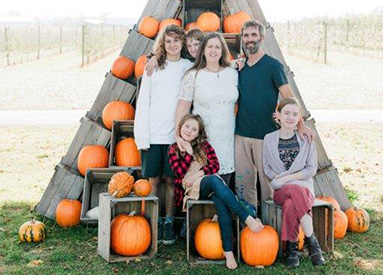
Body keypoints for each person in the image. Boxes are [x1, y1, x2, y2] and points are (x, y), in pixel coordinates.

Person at [234, 20, 316, 210]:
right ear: (242, 39)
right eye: (246, 35)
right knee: (244, 185)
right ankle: (250, 224)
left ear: (262, 38)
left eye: (254, 35)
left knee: (269, 185)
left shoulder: (273, 66)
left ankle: (271, 224)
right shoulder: (239, 66)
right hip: (242, 134)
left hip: (266, 136)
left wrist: (301, 125)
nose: (250, 39)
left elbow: (288, 97)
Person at [168, 114, 264, 270]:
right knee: (214, 180)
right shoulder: (174, 148)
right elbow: (179, 172)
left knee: (221, 201)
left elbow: (215, 166)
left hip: (208, 183)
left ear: (199, 133)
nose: (189, 131)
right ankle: (246, 216)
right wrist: (189, 154)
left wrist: (198, 165)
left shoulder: (205, 146)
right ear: (180, 127)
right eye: (187, 126)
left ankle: (228, 252)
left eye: (194, 129)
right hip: (192, 188)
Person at [134, 25, 192, 245]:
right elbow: (143, 102)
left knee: (171, 180)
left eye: (177, 40)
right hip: (153, 132)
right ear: (162, 44)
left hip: (175, 135)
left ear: (182, 43)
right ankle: (154, 222)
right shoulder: (153, 68)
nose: (173, 44)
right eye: (168, 41)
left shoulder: (187, 67)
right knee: (154, 181)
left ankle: (168, 222)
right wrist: (142, 136)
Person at [263, 98, 325, 268]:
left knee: (291, 203)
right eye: (287, 113)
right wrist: (286, 180)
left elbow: (311, 170)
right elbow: (267, 168)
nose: (291, 117)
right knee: (292, 191)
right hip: (280, 191)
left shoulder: (306, 138)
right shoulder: (269, 139)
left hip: (304, 190)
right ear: (279, 116)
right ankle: (312, 242)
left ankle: (292, 249)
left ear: (299, 118)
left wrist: (286, 178)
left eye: (295, 114)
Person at [176, 33, 238, 186]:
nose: (213, 50)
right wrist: (179, 136)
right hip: (204, 139)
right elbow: (182, 107)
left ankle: (224, 211)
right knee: (206, 184)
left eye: (217, 47)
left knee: (225, 182)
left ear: (223, 50)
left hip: (228, 138)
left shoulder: (233, 73)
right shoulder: (193, 75)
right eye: (210, 46)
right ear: (203, 50)